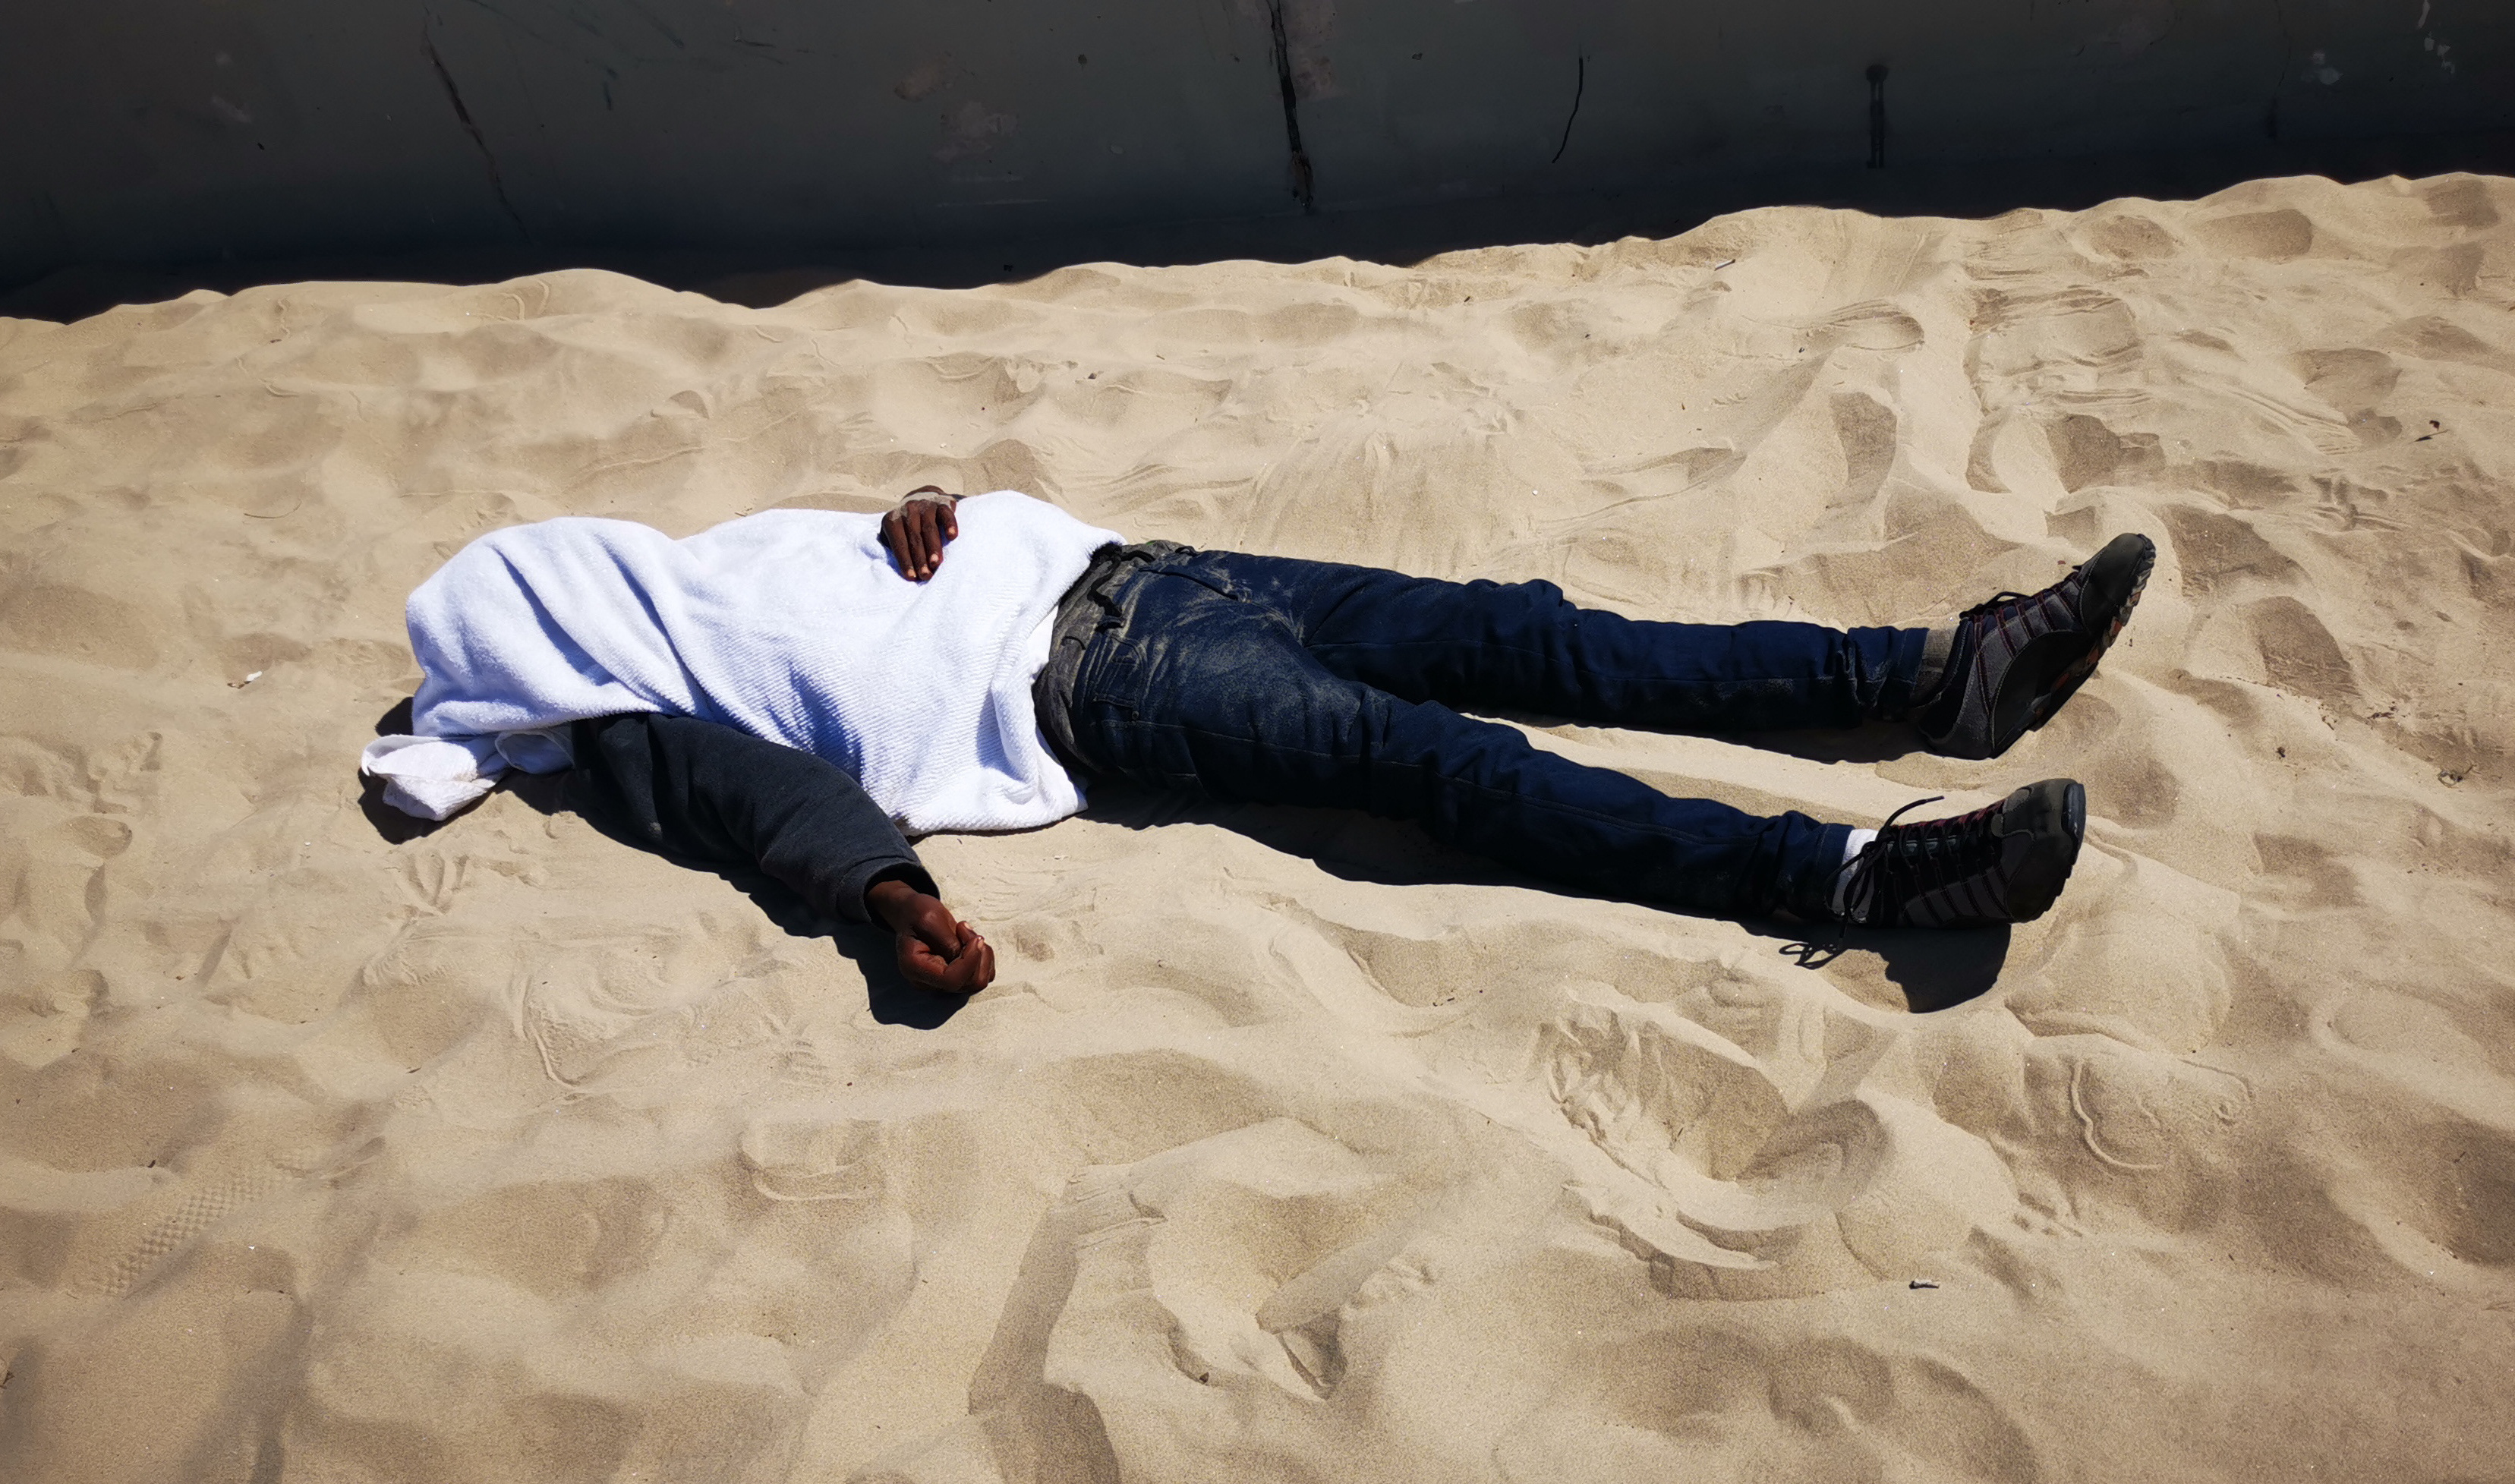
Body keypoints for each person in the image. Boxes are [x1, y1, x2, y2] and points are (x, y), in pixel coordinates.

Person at [366, 487, 2152, 998]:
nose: (585, 578)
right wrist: (887, 899)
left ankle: (1935, 679)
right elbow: (765, 804)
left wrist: (914, 504)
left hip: (1144, 564)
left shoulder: (698, 573)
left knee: (1533, 632)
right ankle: (1852, 875)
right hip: (1101, 691)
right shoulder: (627, 725)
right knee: (1447, 767)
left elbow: (844, 559)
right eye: (547, 598)